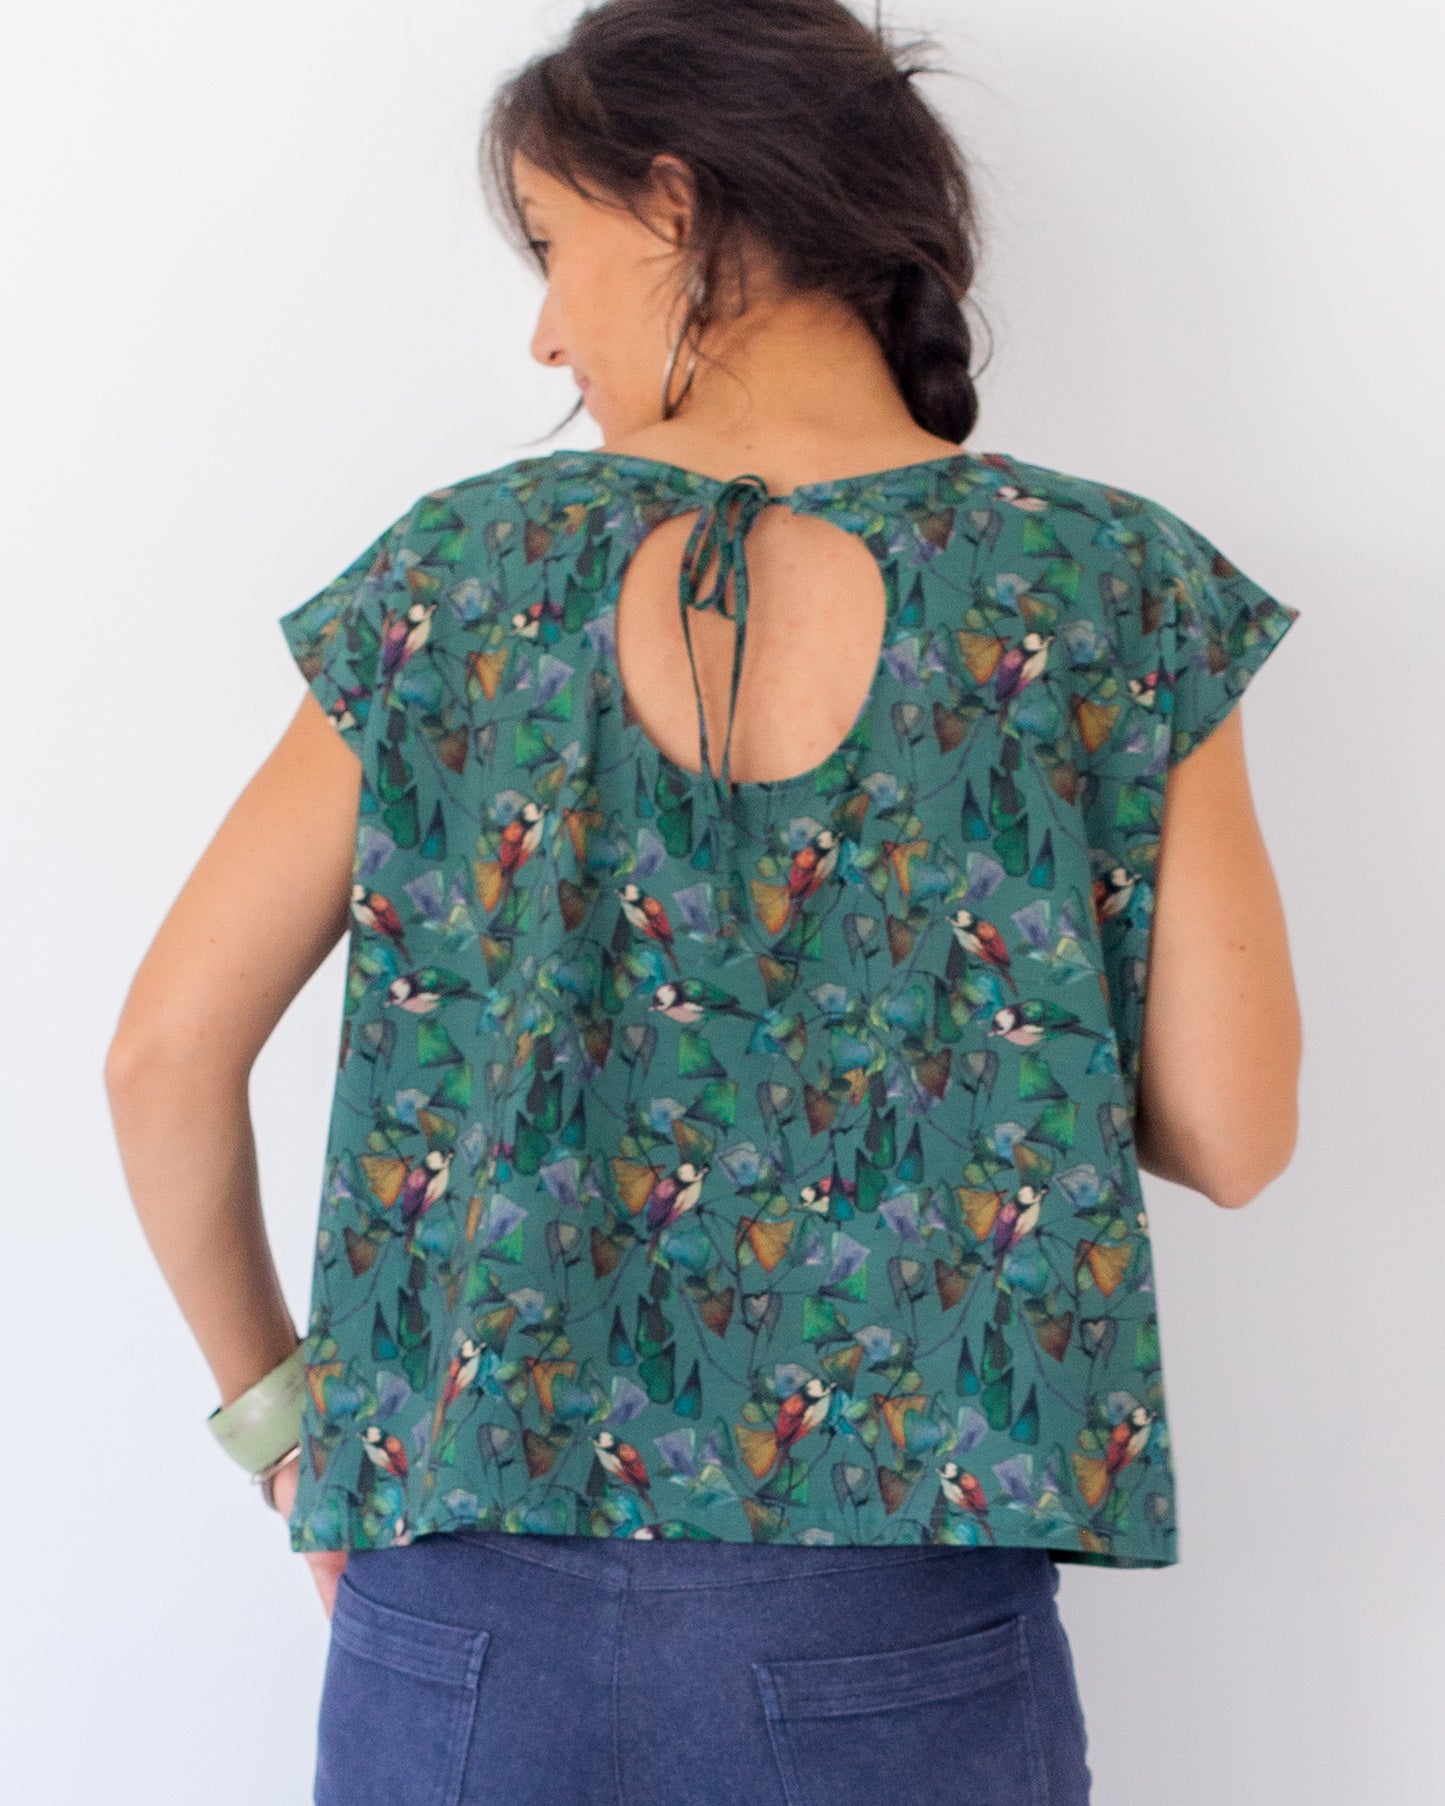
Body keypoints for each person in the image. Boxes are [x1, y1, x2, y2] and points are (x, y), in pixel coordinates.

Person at [104, 2, 1304, 1801]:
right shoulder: (1101, 587)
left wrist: (290, 1432)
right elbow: (1232, 1130)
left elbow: (160, 1057)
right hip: (896, 1632)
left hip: (464, 1614)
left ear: (674, 201)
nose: (540, 326)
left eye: (547, 243)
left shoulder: (459, 577)